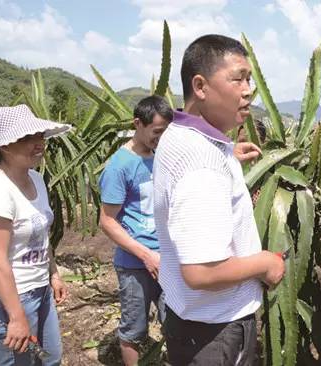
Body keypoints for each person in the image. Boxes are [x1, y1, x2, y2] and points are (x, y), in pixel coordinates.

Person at [153, 34, 286, 365]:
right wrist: (266, 263)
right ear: (200, 86)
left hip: (189, 321)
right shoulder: (202, 163)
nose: (248, 90)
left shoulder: (178, 135)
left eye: (250, 80)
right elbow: (201, 272)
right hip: (216, 331)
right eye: (238, 78)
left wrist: (227, 156)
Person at [0, 105, 71, 366]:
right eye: (28, 138)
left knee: (52, 358)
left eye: (40, 136)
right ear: (4, 145)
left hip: (41, 290)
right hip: (9, 299)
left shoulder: (37, 179)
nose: (39, 144)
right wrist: (16, 317)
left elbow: (41, 233)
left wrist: (53, 273)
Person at [98, 96, 172, 366]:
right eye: (156, 132)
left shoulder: (159, 157)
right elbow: (107, 221)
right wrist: (146, 255)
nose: (161, 139)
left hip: (167, 261)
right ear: (137, 124)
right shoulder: (119, 166)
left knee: (175, 322)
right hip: (135, 265)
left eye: (165, 132)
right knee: (134, 328)